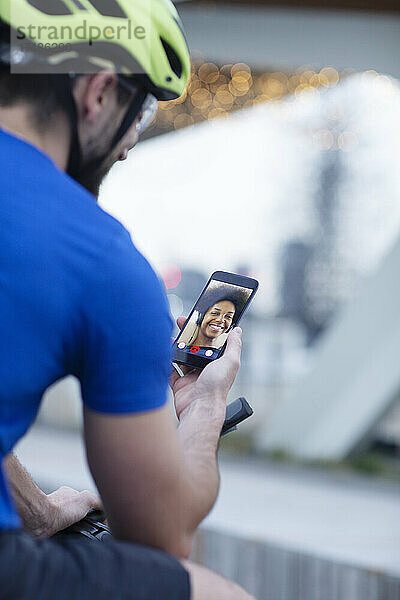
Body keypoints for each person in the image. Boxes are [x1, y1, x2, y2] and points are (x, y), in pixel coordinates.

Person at [0, 1, 254, 599]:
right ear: (97, 92)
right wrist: (205, 407)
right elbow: (158, 535)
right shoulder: (100, 261)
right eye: (140, 111)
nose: (129, 145)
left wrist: (33, 510)